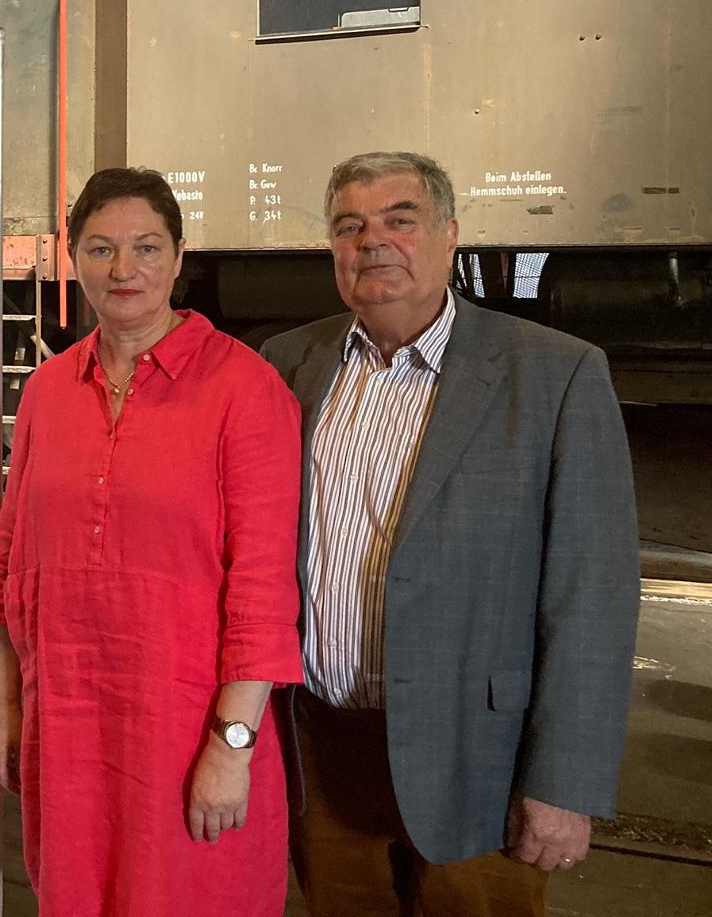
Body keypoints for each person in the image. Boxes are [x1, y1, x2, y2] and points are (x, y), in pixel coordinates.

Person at [260, 152, 639, 917]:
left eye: (399, 220)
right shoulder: (287, 365)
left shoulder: (556, 374)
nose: (373, 241)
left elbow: (592, 596)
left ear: (450, 234)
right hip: (321, 753)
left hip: (478, 759)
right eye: (349, 226)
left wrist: (563, 782)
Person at [0, 167, 303, 916]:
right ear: (73, 258)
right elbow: (9, 565)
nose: (123, 269)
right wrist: (6, 709)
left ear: (179, 257)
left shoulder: (245, 390)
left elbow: (262, 590)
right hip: (69, 730)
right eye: (101, 249)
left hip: (187, 732)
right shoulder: (49, 392)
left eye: (146, 247)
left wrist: (232, 746)